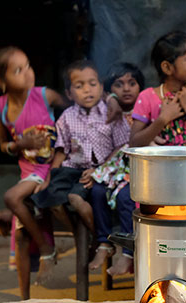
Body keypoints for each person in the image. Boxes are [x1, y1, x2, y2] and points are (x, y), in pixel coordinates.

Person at [0, 46, 65, 296]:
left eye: (28, 65)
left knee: (12, 198)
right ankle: (24, 297)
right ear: (1, 81)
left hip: (52, 168)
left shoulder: (46, 96)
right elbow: (2, 145)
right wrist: (18, 145)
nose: (28, 73)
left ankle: (45, 248)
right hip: (29, 173)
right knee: (20, 237)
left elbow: (75, 114)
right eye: (18, 70)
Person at [31, 60, 130, 234]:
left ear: (101, 88)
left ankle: (100, 238)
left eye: (92, 84)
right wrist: (49, 178)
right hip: (72, 170)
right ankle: (76, 234)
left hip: (101, 171)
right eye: (79, 86)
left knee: (75, 199)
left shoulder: (111, 112)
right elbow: (61, 150)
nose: (87, 89)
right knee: (49, 199)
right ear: (69, 94)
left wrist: (100, 170)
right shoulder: (67, 117)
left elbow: (122, 146)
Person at [89, 62, 145, 275]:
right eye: (119, 85)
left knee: (125, 198)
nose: (126, 88)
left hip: (137, 168)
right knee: (96, 191)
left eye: (132, 83)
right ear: (109, 89)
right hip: (115, 168)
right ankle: (104, 242)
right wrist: (111, 100)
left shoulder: (145, 107)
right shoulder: (108, 111)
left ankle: (127, 252)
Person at [129, 31, 186, 148]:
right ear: (167, 67)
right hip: (159, 165)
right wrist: (163, 118)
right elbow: (134, 143)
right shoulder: (147, 97)